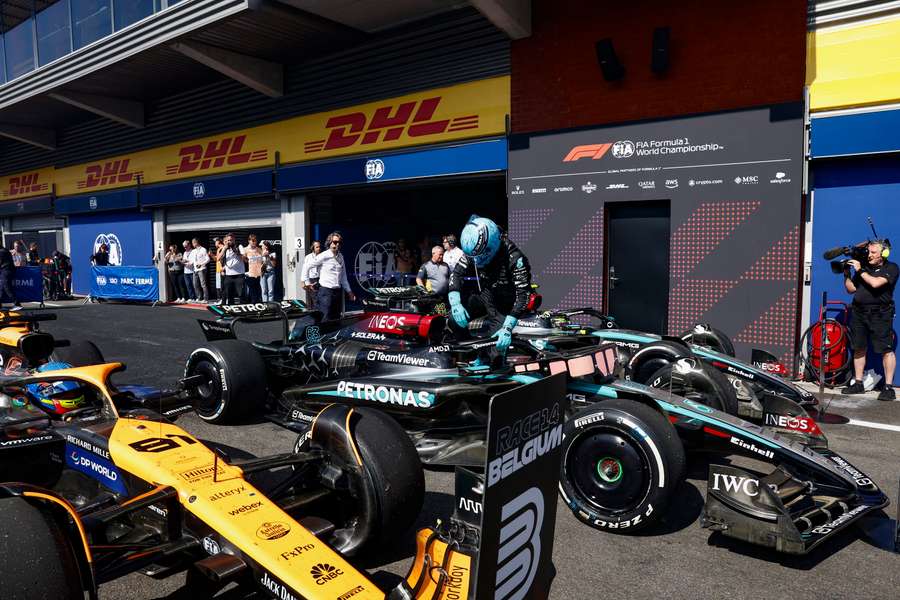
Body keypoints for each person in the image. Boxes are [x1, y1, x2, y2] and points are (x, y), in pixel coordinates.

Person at [448, 215, 532, 357]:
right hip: (485, 294)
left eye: (480, 256)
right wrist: (455, 304)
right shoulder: (473, 250)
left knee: (496, 351)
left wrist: (507, 328)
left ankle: (490, 361)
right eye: (473, 256)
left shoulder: (515, 258)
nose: (476, 260)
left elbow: (523, 295)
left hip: (504, 306)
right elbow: (456, 274)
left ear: (491, 245)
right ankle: (472, 354)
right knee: (452, 319)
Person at [842, 240, 898, 400]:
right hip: (859, 313)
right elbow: (851, 289)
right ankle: (858, 383)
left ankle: (888, 387)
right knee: (859, 348)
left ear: (883, 254)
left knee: (886, 350)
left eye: (874, 252)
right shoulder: (864, 268)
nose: (870, 255)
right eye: (869, 252)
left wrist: (859, 270)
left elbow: (875, 283)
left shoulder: (891, 268)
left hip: (880, 314)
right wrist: (846, 274)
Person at [311, 232, 355, 320]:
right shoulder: (324, 255)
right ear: (329, 243)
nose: (337, 244)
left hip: (337, 293)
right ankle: (323, 334)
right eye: (335, 242)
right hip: (325, 292)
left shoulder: (341, 257)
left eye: (339, 242)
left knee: (336, 319)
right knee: (325, 318)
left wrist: (349, 291)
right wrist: (306, 281)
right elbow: (307, 266)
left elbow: (343, 277)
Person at [217, 233, 245, 305]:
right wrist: (224, 249)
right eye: (228, 240)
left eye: (231, 240)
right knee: (229, 294)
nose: (229, 241)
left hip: (239, 274)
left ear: (234, 240)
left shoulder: (239, 246)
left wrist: (235, 251)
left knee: (240, 294)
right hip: (229, 275)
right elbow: (218, 258)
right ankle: (230, 309)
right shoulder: (225, 248)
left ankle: (242, 310)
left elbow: (244, 258)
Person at [242, 234, 264, 303]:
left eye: (255, 241)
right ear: (249, 241)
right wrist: (244, 257)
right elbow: (243, 261)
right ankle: (252, 304)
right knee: (252, 291)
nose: (254, 242)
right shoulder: (245, 250)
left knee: (258, 291)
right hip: (250, 274)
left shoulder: (259, 250)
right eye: (253, 241)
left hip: (259, 274)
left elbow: (263, 260)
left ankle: (258, 304)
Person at [300, 240, 322, 308]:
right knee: (315, 299)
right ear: (313, 248)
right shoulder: (308, 257)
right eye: (317, 247)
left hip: (320, 279)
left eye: (319, 247)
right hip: (312, 279)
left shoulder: (322, 256)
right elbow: (305, 270)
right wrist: (306, 282)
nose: (319, 248)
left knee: (321, 299)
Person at [0, 244, 21, 311]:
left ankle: (17, 304)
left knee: (7, 287)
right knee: (2, 288)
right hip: (8, 270)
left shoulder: (1, 252)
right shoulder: (5, 250)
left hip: (6, 271)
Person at [191, 238, 210, 303]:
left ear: (196, 242)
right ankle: (199, 297)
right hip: (195, 270)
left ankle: (205, 299)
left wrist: (201, 264)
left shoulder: (203, 249)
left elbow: (208, 259)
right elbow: (192, 261)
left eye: (193, 242)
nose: (192, 244)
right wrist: (184, 262)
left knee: (203, 284)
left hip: (202, 269)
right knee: (195, 284)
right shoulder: (193, 251)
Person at [212, 237, 224, 304]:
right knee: (218, 286)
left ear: (219, 241)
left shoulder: (222, 248)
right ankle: (220, 299)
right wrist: (211, 255)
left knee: (221, 285)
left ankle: (222, 299)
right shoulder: (218, 249)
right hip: (218, 269)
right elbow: (216, 259)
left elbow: (220, 259)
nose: (214, 243)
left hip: (221, 269)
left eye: (215, 241)